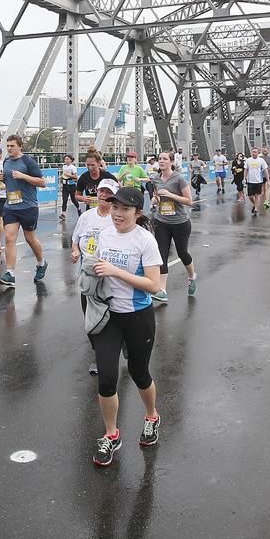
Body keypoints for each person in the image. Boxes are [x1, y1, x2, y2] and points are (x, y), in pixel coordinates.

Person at [89, 187, 163, 468]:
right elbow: (96, 265)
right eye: (115, 207)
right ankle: (111, 434)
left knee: (138, 372)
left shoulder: (145, 241)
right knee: (107, 378)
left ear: (137, 213)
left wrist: (115, 271)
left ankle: (152, 416)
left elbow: (154, 285)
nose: (117, 214)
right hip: (109, 317)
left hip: (138, 317)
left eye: (125, 209)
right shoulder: (104, 235)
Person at [70, 178, 118, 376]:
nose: (103, 195)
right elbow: (75, 241)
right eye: (101, 191)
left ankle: (107, 354)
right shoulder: (87, 217)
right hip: (89, 277)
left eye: (108, 193)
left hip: (111, 276)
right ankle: (98, 351)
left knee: (111, 317)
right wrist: (75, 252)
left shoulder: (117, 218)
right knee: (91, 319)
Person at [0, 135, 48, 287]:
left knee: (30, 239)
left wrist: (23, 176)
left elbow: (42, 182)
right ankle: (10, 274)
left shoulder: (28, 162)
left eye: (12, 146)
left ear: (20, 146)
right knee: (10, 238)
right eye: (8, 146)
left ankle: (41, 263)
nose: (9, 148)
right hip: (10, 206)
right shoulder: (6, 161)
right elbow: (9, 181)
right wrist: (3, 179)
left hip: (28, 206)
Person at [150, 151, 198, 303]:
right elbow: (158, 196)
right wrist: (155, 200)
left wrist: (171, 195)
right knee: (161, 255)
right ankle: (162, 290)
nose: (161, 161)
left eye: (165, 159)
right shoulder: (155, 179)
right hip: (162, 221)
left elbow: (189, 201)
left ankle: (192, 277)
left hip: (180, 222)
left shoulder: (178, 178)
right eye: (160, 159)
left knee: (182, 252)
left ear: (171, 162)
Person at [245, 147, 268, 215]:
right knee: (250, 196)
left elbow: (265, 170)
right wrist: (244, 178)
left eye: (255, 152)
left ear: (258, 153)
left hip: (258, 181)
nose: (254, 153)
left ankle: (255, 209)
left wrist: (268, 180)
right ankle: (255, 204)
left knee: (257, 195)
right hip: (250, 181)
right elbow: (246, 169)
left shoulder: (261, 160)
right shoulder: (248, 160)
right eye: (253, 152)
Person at [59, 154, 79, 220]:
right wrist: (61, 178)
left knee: (73, 200)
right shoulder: (64, 167)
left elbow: (75, 177)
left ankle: (79, 209)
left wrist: (69, 175)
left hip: (72, 185)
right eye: (65, 159)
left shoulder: (73, 167)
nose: (66, 160)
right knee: (64, 199)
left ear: (71, 160)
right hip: (65, 185)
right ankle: (63, 214)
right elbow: (63, 175)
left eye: (68, 159)